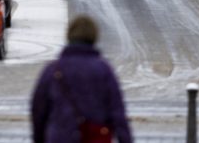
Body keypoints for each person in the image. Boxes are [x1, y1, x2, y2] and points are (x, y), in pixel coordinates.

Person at [31, 15, 132, 143]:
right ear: (94, 36)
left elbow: (39, 109)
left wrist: (39, 138)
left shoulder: (53, 70)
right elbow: (117, 111)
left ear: (69, 35)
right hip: (95, 137)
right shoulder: (103, 69)